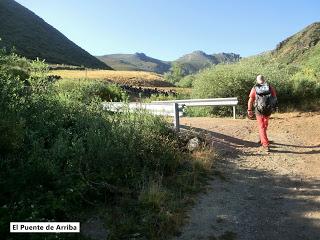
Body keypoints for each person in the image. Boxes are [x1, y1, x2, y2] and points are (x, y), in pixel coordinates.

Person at [247, 75, 277, 152]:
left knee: (261, 126)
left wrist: (249, 110)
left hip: (259, 110)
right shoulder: (270, 87)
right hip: (268, 109)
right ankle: (263, 138)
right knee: (265, 124)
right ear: (264, 80)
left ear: (257, 80)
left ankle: (265, 144)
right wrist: (273, 107)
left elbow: (250, 100)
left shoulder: (255, 88)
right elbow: (274, 98)